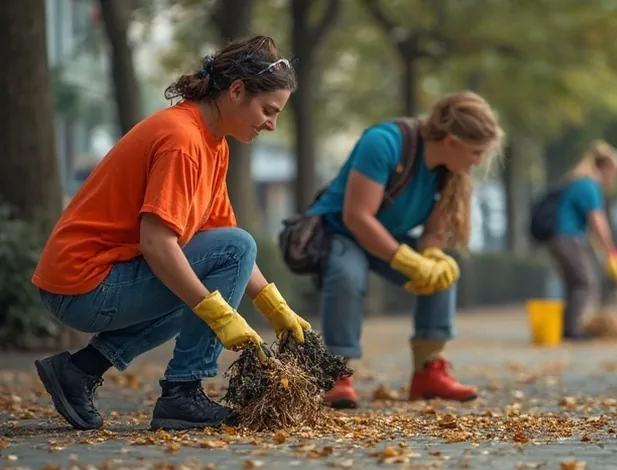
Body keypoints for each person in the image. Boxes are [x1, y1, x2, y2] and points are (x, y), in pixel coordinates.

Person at [31, 35, 311, 431]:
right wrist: (217, 313)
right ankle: (183, 392)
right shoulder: (182, 140)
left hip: (90, 281)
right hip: (85, 284)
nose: (271, 124)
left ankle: (79, 372)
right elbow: (159, 244)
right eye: (268, 110)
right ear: (236, 91)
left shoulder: (212, 143)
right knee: (211, 282)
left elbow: (222, 235)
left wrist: (273, 306)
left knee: (208, 282)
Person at [305, 91, 504, 409]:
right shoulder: (383, 143)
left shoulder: (450, 171)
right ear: (451, 141)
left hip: (385, 236)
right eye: (476, 152)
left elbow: (433, 234)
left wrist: (431, 256)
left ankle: (428, 372)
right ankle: (336, 373)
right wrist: (404, 260)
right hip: (341, 232)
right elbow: (356, 217)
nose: (478, 161)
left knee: (441, 275)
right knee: (347, 275)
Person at [547, 141, 617, 341]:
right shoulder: (589, 185)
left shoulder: (580, 182)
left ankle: (568, 327)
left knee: (574, 281)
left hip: (561, 237)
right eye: (615, 171)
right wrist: (610, 249)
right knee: (585, 281)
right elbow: (597, 221)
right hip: (567, 236)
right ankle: (573, 329)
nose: (614, 177)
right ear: (606, 167)